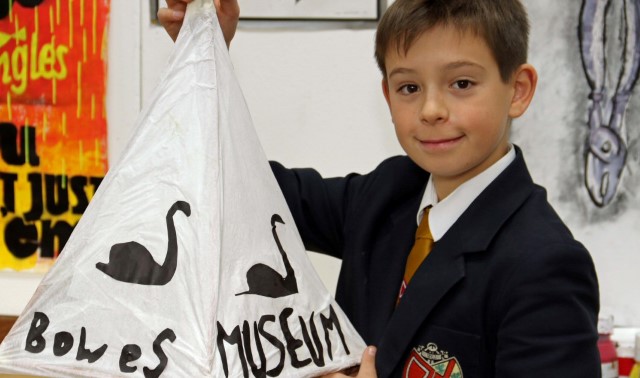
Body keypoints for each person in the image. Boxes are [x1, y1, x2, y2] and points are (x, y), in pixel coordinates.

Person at [159, 1, 601, 377]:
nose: (430, 109)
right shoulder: (389, 192)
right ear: (387, 97)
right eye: (409, 87)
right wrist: (205, 50)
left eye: (461, 83)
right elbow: (243, 187)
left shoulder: (545, 263)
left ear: (518, 91)